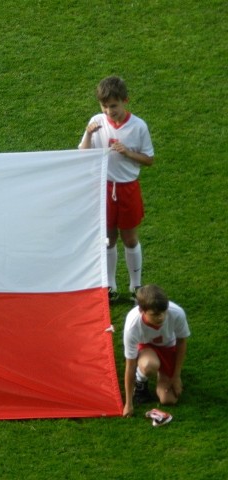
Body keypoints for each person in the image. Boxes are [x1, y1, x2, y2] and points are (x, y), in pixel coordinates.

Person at [79, 76, 154, 302]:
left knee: (130, 239)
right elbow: (82, 154)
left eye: (113, 105)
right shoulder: (96, 122)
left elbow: (149, 159)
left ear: (125, 101)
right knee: (108, 239)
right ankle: (109, 286)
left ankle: (135, 286)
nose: (109, 111)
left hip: (128, 188)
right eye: (104, 106)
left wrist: (128, 153)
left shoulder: (138, 126)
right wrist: (89, 134)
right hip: (104, 188)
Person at [121, 285, 190, 418]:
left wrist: (176, 376)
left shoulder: (177, 313)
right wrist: (128, 404)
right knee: (148, 365)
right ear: (142, 310)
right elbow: (130, 365)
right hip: (146, 348)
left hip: (168, 347)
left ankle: (163, 375)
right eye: (155, 314)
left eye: (163, 312)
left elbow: (181, 342)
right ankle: (140, 383)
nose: (161, 317)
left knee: (168, 400)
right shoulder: (132, 326)